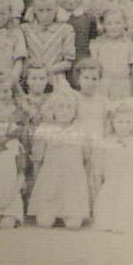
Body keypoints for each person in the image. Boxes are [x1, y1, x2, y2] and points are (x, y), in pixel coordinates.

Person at [28, 88, 91, 230]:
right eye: (60, 107)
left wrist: (83, 184)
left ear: (75, 111)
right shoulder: (45, 130)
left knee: (73, 225)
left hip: (73, 183)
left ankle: (70, 213)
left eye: (69, 107)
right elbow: (37, 161)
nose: (65, 111)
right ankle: (51, 211)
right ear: (53, 110)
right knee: (44, 223)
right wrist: (38, 185)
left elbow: (87, 160)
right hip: (50, 181)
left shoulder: (81, 132)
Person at [91, 99, 133, 233]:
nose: (124, 126)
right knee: (107, 223)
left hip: (131, 190)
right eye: (120, 122)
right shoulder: (104, 145)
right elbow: (98, 173)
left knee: (128, 225)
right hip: (111, 189)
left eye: (128, 122)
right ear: (112, 123)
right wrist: (98, 196)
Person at [22, 0, 76, 88]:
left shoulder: (66, 30)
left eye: (49, 10)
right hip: (31, 78)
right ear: (34, 10)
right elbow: (22, 59)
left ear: (56, 9)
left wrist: (47, 70)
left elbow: (68, 62)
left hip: (56, 78)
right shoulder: (25, 29)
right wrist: (32, 65)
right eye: (40, 10)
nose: (45, 14)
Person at [91, 7, 133, 101]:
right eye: (109, 23)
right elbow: (94, 69)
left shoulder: (129, 45)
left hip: (123, 85)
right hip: (103, 84)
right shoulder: (97, 45)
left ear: (125, 24)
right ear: (103, 25)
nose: (113, 27)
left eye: (118, 23)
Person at [73, 58, 109, 144]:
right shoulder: (74, 99)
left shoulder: (103, 101)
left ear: (99, 81)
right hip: (78, 142)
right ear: (78, 79)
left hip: (98, 142)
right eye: (86, 78)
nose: (90, 82)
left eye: (94, 79)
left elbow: (106, 125)